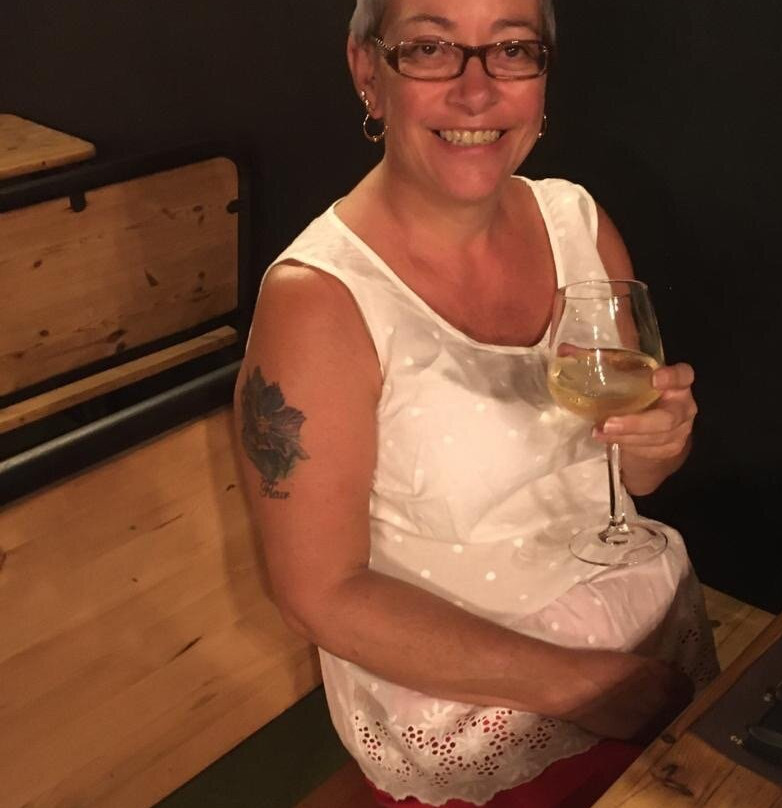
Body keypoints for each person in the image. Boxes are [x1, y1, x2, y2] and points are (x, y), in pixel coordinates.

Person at [234, 1, 719, 805]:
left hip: (655, 644)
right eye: (430, 48)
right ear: (368, 71)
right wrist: (591, 688)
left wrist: (660, 443)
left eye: (512, 49)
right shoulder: (318, 300)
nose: (476, 89)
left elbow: (632, 478)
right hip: (478, 722)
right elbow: (319, 594)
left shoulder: (577, 222)